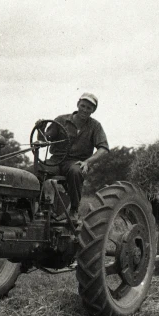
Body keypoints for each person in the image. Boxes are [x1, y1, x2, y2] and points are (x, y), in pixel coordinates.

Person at [37, 92, 109, 221]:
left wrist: (87, 162)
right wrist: (40, 130)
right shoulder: (60, 120)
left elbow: (103, 149)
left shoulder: (95, 126)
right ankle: (38, 208)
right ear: (77, 104)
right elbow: (44, 140)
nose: (85, 110)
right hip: (55, 160)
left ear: (93, 110)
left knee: (76, 171)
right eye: (83, 106)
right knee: (34, 171)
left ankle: (74, 210)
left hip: (75, 162)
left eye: (89, 108)